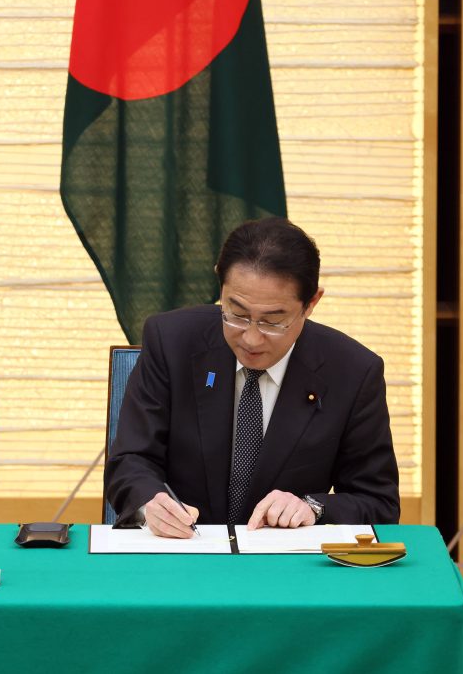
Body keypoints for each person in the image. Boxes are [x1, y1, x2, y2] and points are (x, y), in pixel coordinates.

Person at [104, 218, 400, 538]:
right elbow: (130, 460)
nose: (251, 339)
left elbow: (378, 502)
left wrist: (314, 508)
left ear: (311, 302)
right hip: (183, 550)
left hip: (286, 562)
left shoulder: (353, 372)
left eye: (273, 321)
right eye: (237, 314)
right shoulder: (171, 341)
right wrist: (150, 503)